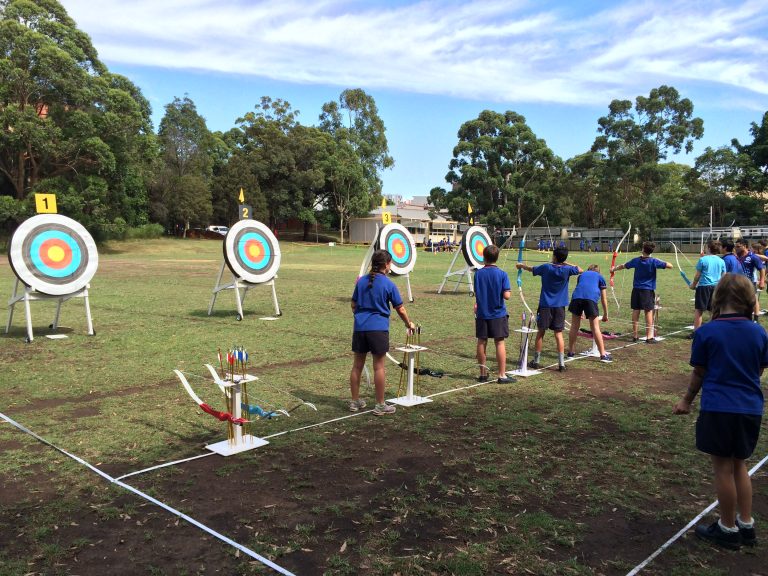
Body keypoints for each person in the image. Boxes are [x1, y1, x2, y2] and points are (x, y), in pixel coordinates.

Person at [673, 273, 767, 549]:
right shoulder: (758, 332)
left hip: (719, 408)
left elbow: (699, 372)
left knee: (723, 469)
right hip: (750, 409)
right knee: (740, 465)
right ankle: (746, 524)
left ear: (718, 297)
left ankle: (727, 528)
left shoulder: (706, 332)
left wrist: (686, 401)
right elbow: (759, 369)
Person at [349, 249, 416, 416]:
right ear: (386, 265)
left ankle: (355, 401)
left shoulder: (361, 281)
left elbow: (353, 305)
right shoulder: (388, 284)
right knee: (379, 367)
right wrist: (409, 324)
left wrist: (360, 318)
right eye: (390, 263)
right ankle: (380, 405)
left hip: (360, 328)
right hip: (378, 329)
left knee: (357, 366)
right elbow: (400, 308)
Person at [516, 246, 582, 372]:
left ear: (555, 257)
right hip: (559, 307)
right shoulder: (568, 269)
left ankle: (536, 361)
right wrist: (564, 262)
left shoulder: (546, 267)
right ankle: (561, 364)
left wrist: (521, 266)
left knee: (541, 332)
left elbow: (531, 269)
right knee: (558, 334)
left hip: (545, 305)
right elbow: (580, 269)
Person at [610, 241, 672, 343]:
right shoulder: (654, 261)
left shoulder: (636, 260)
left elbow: (624, 266)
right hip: (647, 291)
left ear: (643, 250)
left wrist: (614, 269)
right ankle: (649, 337)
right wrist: (656, 259)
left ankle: (635, 336)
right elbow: (670, 265)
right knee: (648, 312)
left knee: (636, 310)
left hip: (636, 290)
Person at [473, 245, 516, 383]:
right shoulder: (502, 274)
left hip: (482, 313)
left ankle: (483, 374)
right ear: (496, 258)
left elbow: (478, 292)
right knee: (499, 342)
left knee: (482, 341)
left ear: (483, 257)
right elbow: (507, 295)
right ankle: (501, 375)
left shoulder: (478, 274)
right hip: (497, 314)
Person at [567, 264, 612, 363]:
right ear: (598, 271)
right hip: (590, 300)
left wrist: (582, 311)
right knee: (595, 328)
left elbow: (582, 289)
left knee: (574, 326)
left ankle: (570, 352)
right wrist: (605, 314)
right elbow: (604, 298)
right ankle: (603, 354)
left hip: (576, 299)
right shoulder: (600, 277)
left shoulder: (581, 275)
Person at [689, 240, 726, 337]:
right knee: (713, 310)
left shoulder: (703, 260)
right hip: (716, 287)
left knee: (699, 310)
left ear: (709, 248)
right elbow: (724, 276)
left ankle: (696, 332)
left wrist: (693, 285)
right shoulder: (721, 261)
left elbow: (697, 275)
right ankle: (715, 331)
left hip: (703, 287)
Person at [735, 238, 765, 321]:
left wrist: (762, 281)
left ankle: (756, 319)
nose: (736, 248)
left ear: (744, 246)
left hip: (749, 283)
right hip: (737, 283)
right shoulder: (736, 256)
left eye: (738, 246)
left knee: (753, 299)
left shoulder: (753, 257)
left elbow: (761, 269)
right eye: (735, 246)